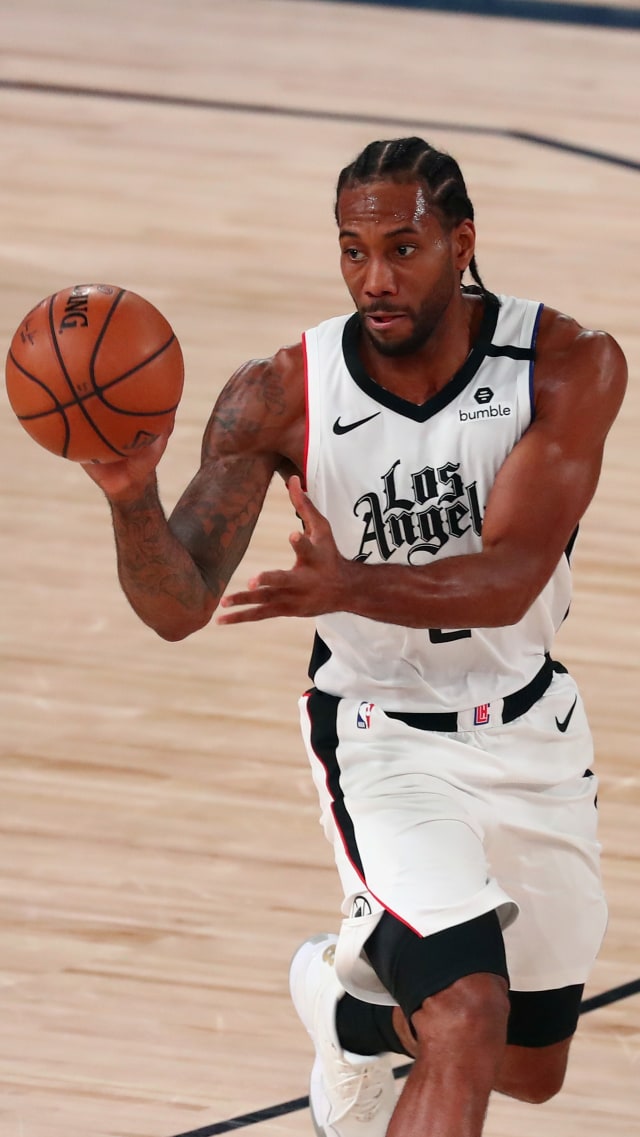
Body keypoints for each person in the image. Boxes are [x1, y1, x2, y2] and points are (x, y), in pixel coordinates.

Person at [84, 137, 627, 1137]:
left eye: (403, 248)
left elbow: (510, 580)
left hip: (531, 731)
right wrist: (130, 499)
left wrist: (348, 584)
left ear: (461, 244)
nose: (374, 278)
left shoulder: (564, 363)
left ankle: (348, 1015)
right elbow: (177, 605)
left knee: (534, 1066)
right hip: (382, 738)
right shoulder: (279, 395)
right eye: (352, 250)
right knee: (465, 1017)